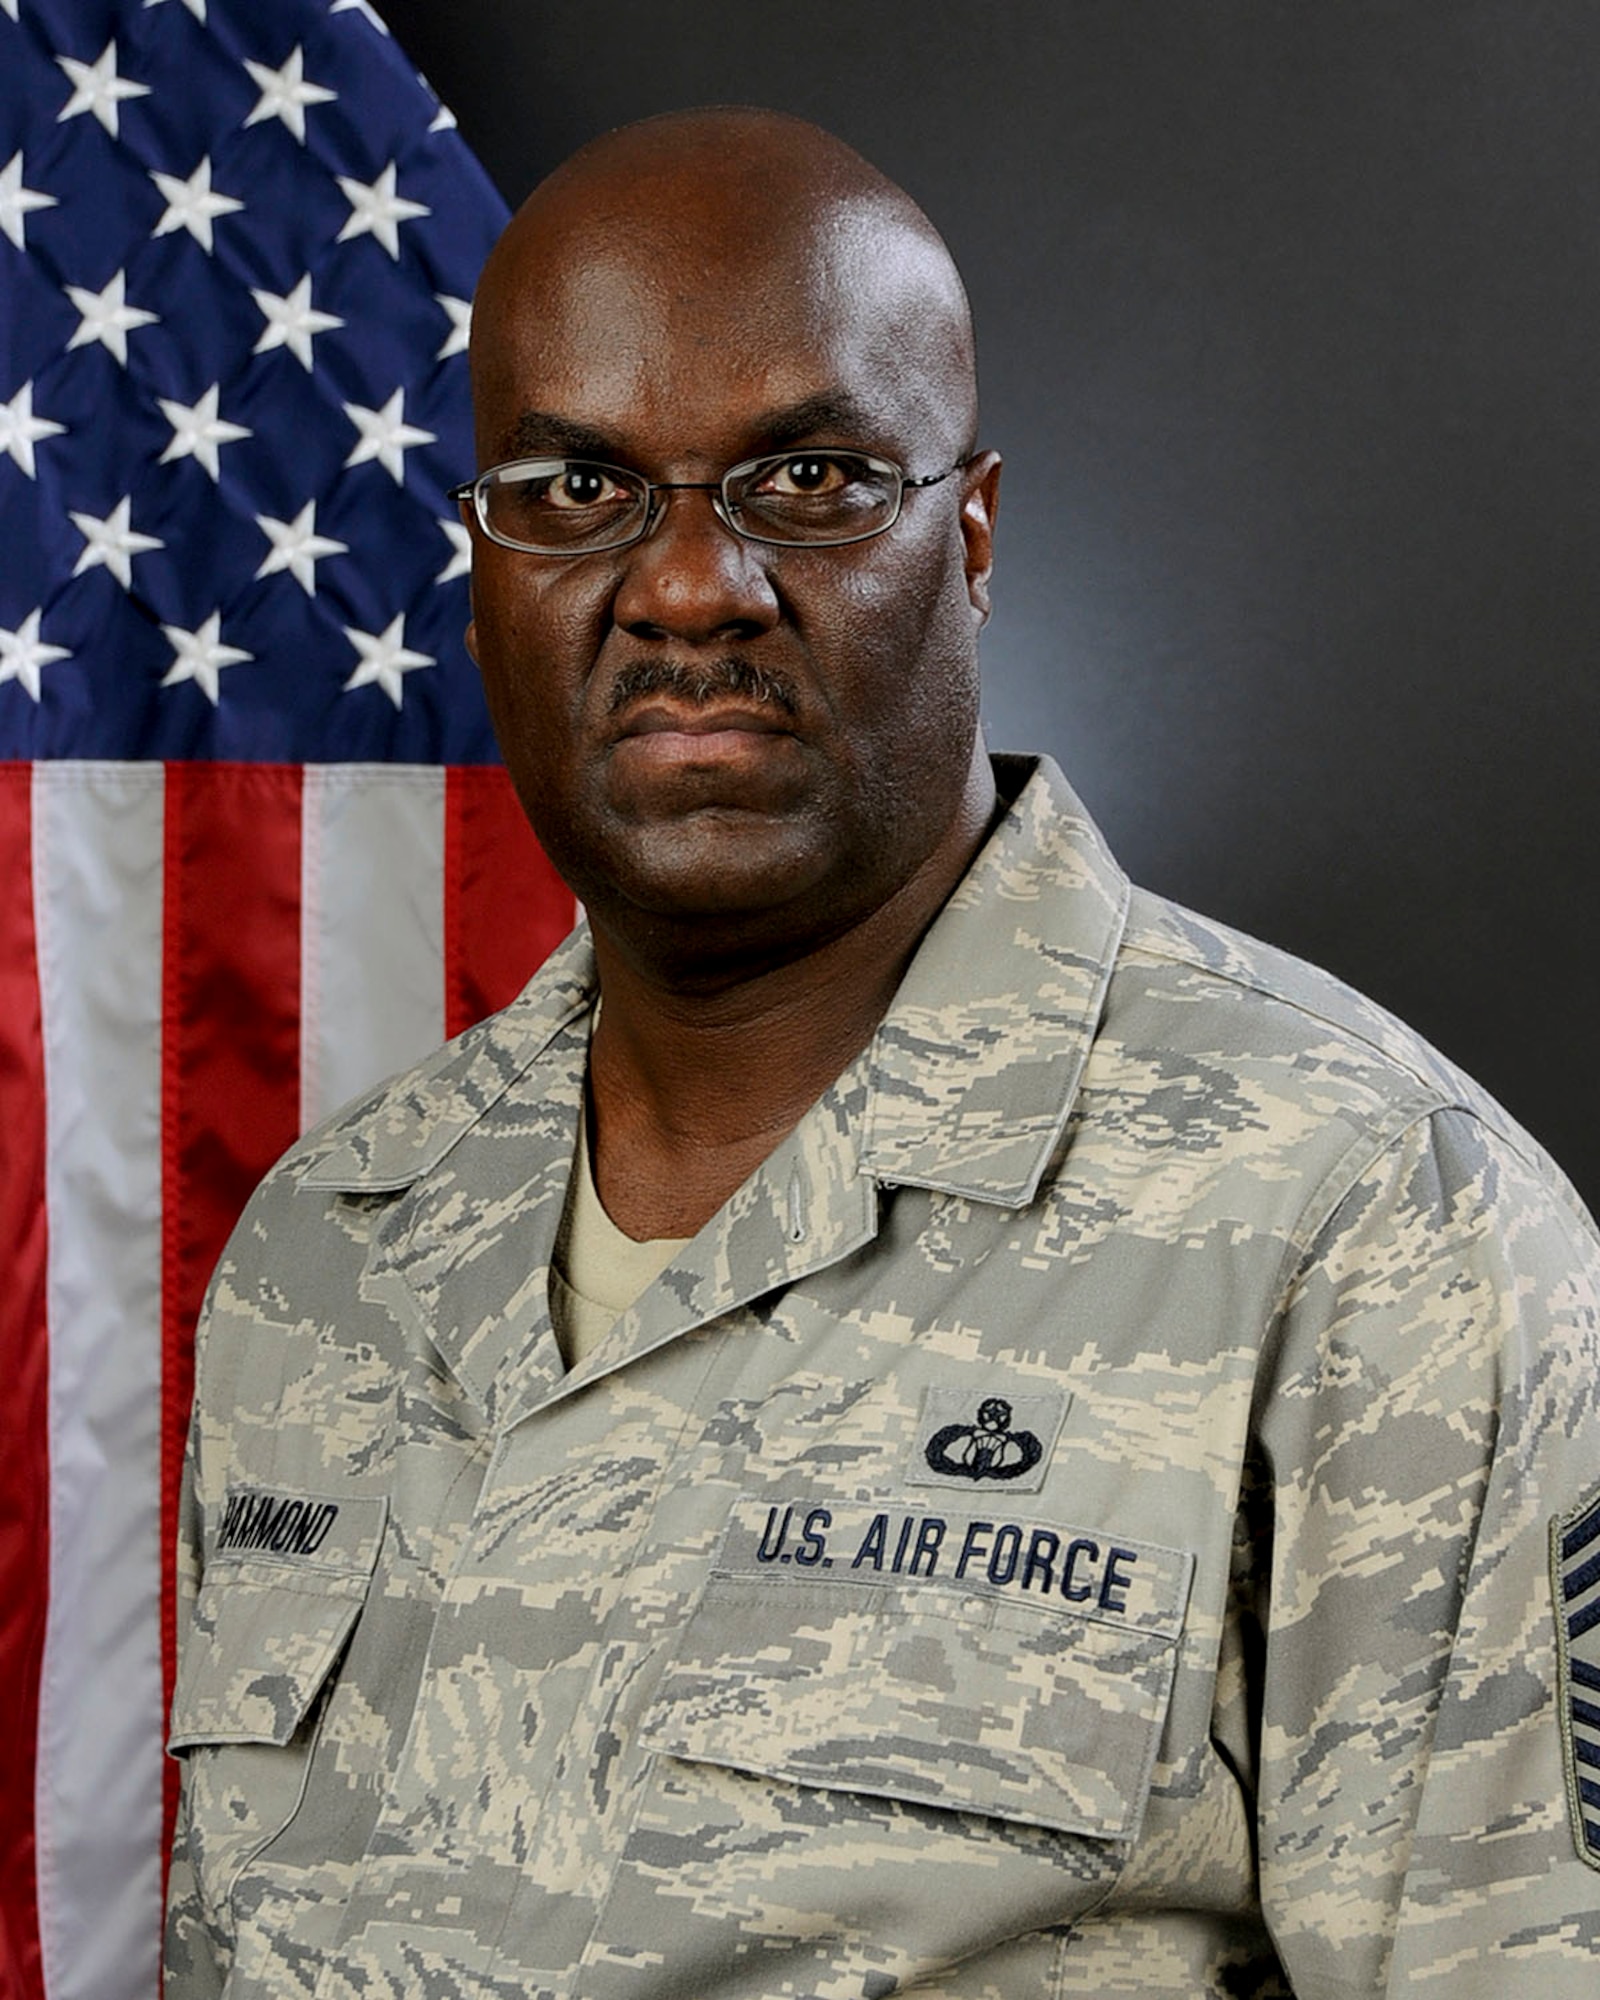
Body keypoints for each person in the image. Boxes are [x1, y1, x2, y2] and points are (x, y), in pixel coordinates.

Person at [163, 107, 1600, 1999]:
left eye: (814, 477)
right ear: (485, 561)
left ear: (974, 535)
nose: (687, 588)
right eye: (577, 490)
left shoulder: (1372, 1228)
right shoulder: (329, 1245)